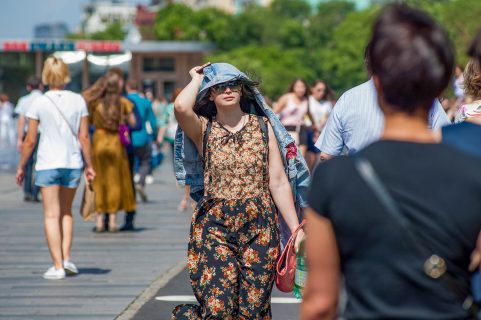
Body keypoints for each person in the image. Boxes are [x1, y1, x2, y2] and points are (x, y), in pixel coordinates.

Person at [303, 5, 481, 319]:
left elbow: (320, 304)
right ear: (439, 89)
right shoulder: (471, 171)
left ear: (379, 86)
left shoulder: (334, 180)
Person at [172, 62, 307, 319]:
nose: (227, 89)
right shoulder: (203, 128)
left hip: (259, 226)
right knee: (218, 309)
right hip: (214, 225)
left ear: (242, 89)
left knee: (253, 310)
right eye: (219, 86)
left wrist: (294, 230)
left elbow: (277, 181)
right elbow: (180, 107)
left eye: (232, 84)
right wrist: (196, 78)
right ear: (210, 94)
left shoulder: (263, 127)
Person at [15, 56, 95, 280]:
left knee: (51, 215)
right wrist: (89, 165)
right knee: (67, 213)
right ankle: (67, 259)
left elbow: (30, 140)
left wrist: (21, 166)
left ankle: (57, 265)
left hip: (48, 163)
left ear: (46, 75)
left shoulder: (38, 102)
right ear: (66, 74)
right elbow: (84, 137)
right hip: (72, 163)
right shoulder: (78, 100)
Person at [315, 43, 451, 161]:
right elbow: (446, 140)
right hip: (415, 180)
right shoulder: (423, 96)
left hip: (360, 182)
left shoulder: (347, 99)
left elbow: (326, 156)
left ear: (367, 65)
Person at [88, 71, 137, 232]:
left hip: (99, 140)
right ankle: (114, 221)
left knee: (99, 181)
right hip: (116, 142)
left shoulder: (95, 103)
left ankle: (100, 221)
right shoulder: (123, 102)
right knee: (115, 181)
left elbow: (88, 121)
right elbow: (133, 122)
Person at [126, 79, 157, 202]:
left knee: (129, 164)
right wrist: (154, 136)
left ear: (127, 87)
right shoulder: (145, 102)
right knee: (145, 161)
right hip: (143, 136)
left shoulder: (123, 100)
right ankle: (141, 182)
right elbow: (153, 122)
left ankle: (130, 189)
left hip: (127, 137)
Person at [15, 76, 43, 202]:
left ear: (28, 87)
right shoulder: (45, 99)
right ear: (41, 86)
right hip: (42, 134)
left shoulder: (24, 100)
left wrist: (20, 139)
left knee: (27, 162)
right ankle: (36, 191)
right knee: (40, 162)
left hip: (28, 133)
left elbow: (21, 121)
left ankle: (27, 191)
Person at [274, 78, 315, 158]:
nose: (301, 89)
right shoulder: (286, 98)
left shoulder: (306, 99)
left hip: (301, 129)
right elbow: (274, 112)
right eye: (298, 87)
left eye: (303, 87)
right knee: (292, 157)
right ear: (293, 87)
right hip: (288, 129)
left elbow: (308, 113)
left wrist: (314, 125)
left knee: (301, 156)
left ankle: (301, 169)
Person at [305, 80, 334, 171]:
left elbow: (325, 118)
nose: (321, 93)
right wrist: (313, 127)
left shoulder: (327, 104)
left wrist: (318, 128)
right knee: (310, 160)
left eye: (323, 90)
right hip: (308, 133)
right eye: (319, 90)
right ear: (312, 89)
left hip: (322, 134)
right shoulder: (307, 100)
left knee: (321, 161)